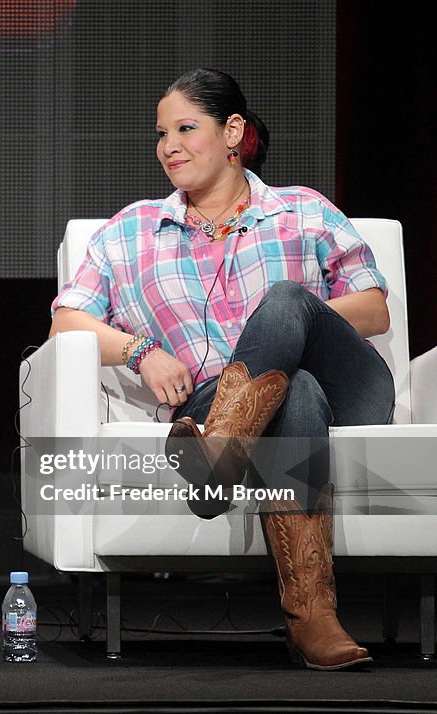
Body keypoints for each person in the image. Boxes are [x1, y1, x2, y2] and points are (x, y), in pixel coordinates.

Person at [50, 68, 394, 670]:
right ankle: (312, 615)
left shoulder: (303, 212)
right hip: (221, 398)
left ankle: (220, 453)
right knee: (297, 393)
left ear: (233, 131)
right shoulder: (131, 231)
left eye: (186, 128)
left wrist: (288, 326)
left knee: (288, 302)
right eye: (161, 134)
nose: (169, 147)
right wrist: (139, 350)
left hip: (350, 391)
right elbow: (66, 323)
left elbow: (372, 308)